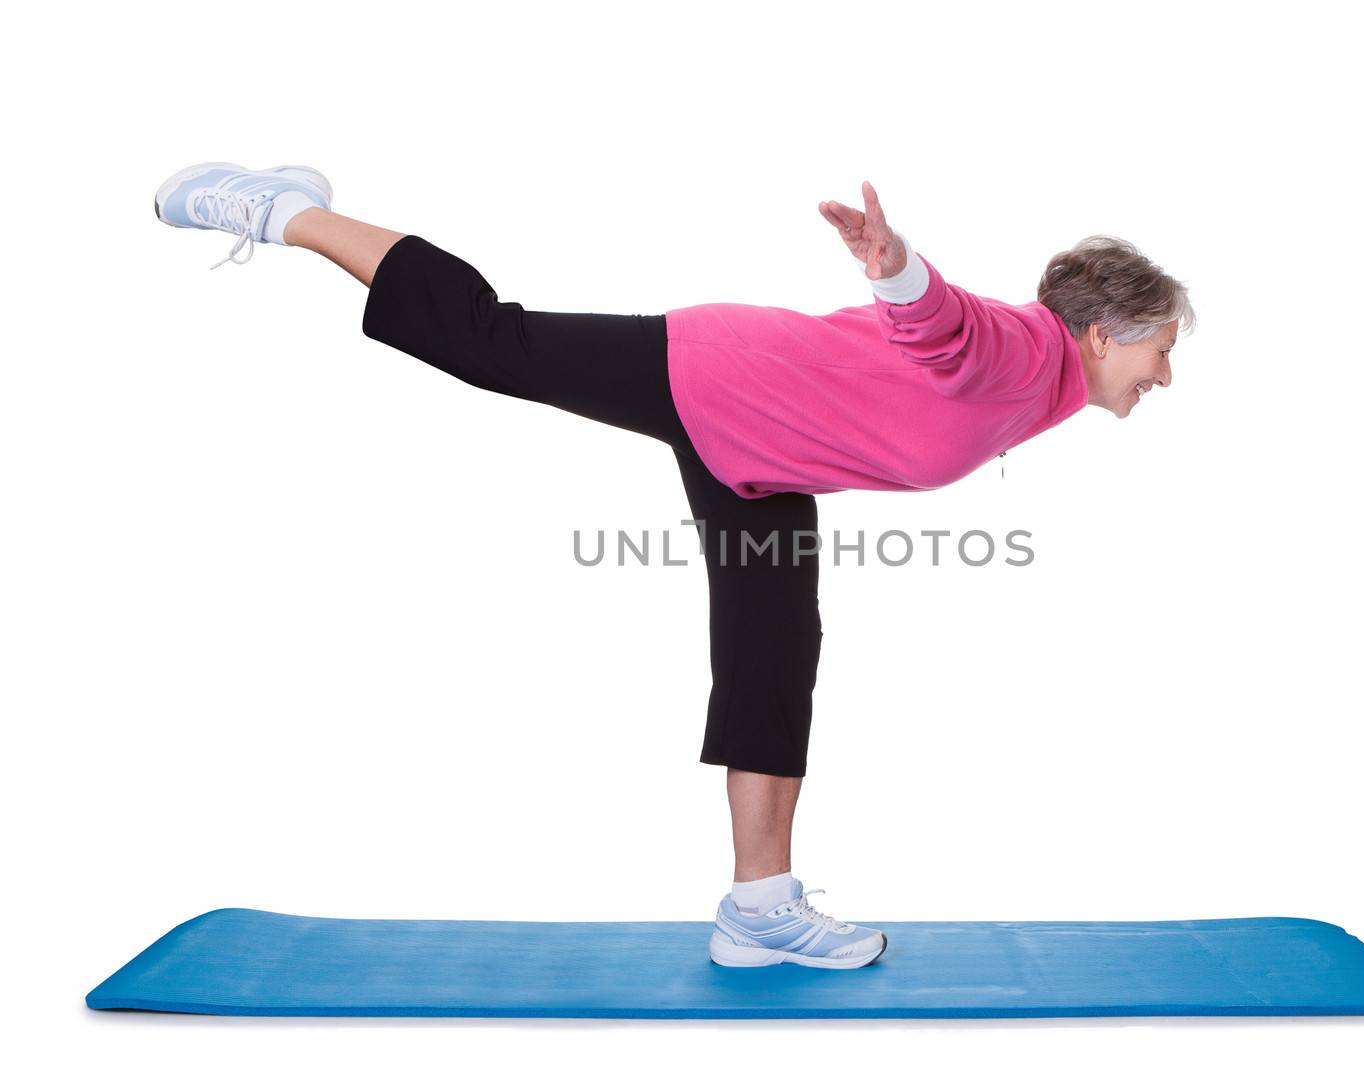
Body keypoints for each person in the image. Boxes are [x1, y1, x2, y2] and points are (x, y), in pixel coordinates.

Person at [152, 162, 1195, 970]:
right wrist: (898, 270)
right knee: (491, 341)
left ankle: (761, 911)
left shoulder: (1051, 388)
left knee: (775, 658)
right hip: (718, 378)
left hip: (764, 460)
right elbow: (942, 327)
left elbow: (932, 373)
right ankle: (288, 212)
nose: (1166, 374)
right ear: (1103, 334)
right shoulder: (1026, 349)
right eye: (1161, 351)